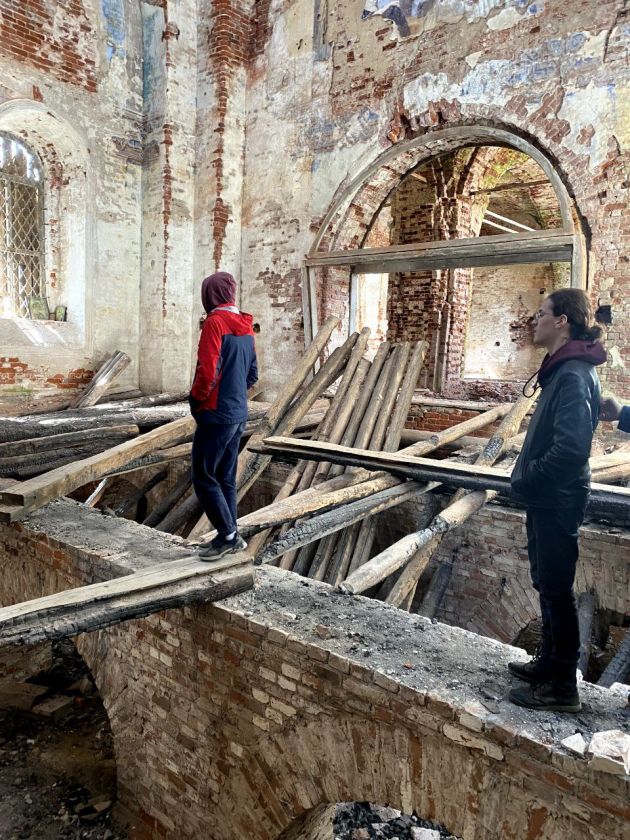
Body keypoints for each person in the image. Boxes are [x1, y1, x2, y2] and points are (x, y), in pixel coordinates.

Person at [508, 288, 606, 712]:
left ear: (562, 321)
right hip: (548, 497)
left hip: (557, 497)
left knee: (558, 590)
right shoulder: (562, 370)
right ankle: (548, 662)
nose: (535, 320)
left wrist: (529, 479)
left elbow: (571, 450)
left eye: (542, 313)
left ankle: (563, 686)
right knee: (547, 584)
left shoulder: (573, 375)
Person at [189, 271, 258, 560]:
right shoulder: (246, 325)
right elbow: (252, 374)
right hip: (238, 413)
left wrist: (196, 400)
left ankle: (228, 536)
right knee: (225, 476)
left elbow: (207, 372)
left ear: (210, 294)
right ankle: (229, 534)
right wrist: (233, 395)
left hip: (215, 414)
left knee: (203, 476)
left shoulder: (214, 323)